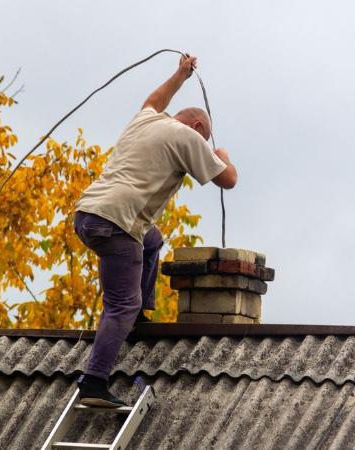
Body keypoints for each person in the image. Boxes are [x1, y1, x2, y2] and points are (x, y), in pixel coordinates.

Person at [73, 54, 238, 407]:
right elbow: (228, 180)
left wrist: (180, 75)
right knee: (121, 304)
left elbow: (153, 100)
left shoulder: (146, 119)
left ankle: (139, 314)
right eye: (203, 137)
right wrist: (222, 154)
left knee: (152, 238)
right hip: (119, 223)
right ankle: (94, 383)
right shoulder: (189, 137)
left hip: (88, 214)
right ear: (197, 129)